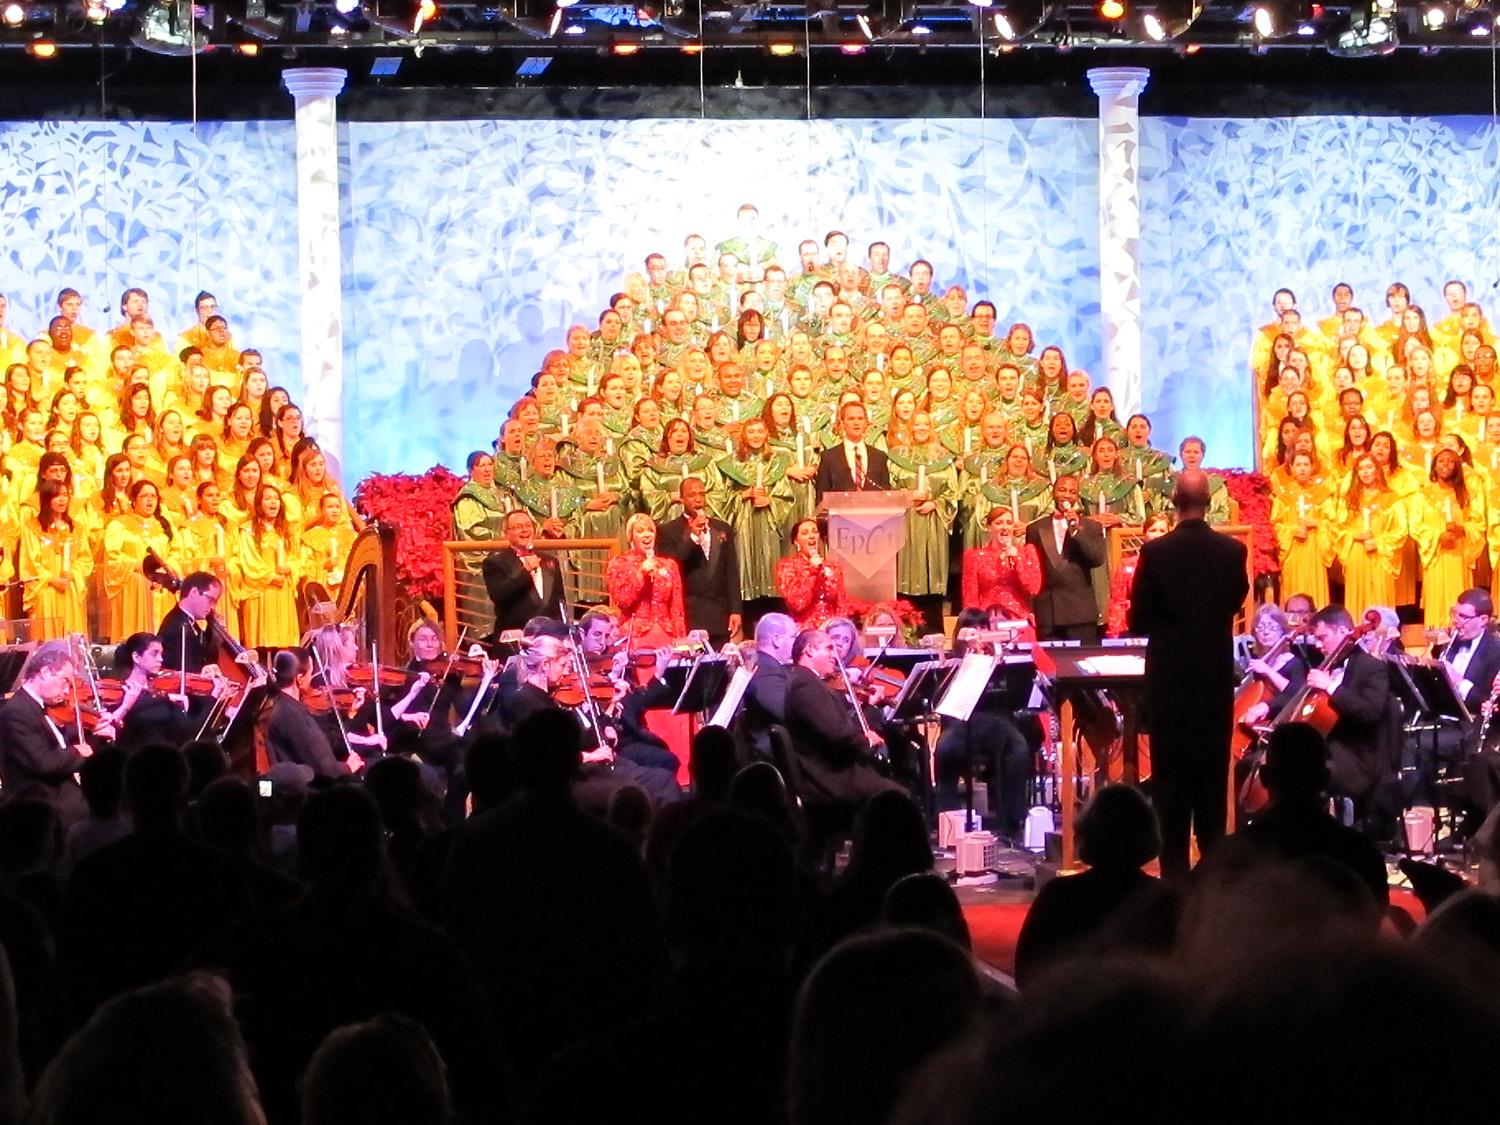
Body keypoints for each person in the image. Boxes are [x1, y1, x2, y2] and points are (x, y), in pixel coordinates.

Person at [1128, 468, 1251, 878]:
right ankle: (1214, 876)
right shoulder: (1231, 552)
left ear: (1174, 502)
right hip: (1214, 678)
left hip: (1169, 680)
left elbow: (1139, 618)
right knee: (1211, 776)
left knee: (1171, 780)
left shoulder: (1156, 553)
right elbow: (1235, 602)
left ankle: (1174, 875)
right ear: (1210, 502)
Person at [1303, 604, 1401, 838]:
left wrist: (1331, 687)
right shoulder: (1328, 665)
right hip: (1331, 747)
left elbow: (1370, 711)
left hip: (1359, 756)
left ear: (1344, 632)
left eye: (1322, 637)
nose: (1318, 645)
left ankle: (1320, 838)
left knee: (1307, 770)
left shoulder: (1372, 667)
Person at [783, 629, 903, 810]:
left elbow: (842, 726)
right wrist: (867, 742)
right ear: (809, 650)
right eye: (829, 648)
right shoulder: (805, 684)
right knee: (900, 799)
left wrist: (868, 708)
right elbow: (838, 735)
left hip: (834, 771)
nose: (835, 655)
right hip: (830, 779)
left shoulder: (810, 681)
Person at [0, 642, 107, 824]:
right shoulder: (18, 711)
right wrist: (78, 752)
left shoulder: (40, 707)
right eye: (65, 680)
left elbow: (62, 744)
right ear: (45, 672)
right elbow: (43, 763)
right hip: (40, 804)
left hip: (58, 795)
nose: (67, 691)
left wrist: (96, 736)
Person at [655, 475, 742, 647]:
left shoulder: (722, 528)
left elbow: (731, 572)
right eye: (692, 495)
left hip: (719, 614)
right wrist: (692, 536)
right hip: (689, 614)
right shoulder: (668, 531)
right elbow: (671, 568)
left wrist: (735, 610)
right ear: (681, 499)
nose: (698, 500)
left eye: (702, 494)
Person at [1024, 474, 1106, 642]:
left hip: (1080, 613)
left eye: (1072, 491)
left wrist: (1076, 531)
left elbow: (1097, 559)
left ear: (1077, 497)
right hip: (1048, 613)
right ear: (1053, 493)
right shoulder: (1035, 528)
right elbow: (1031, 569)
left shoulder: (1091, 527)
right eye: (1062, 490)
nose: (1067, 495)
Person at [481, 508, 567, 637]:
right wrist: (525, 571)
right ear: (506, 533)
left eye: (528, 525)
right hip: (516, 639)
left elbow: (560, 601)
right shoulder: (495, 562)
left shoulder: (550, 560)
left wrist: (564, 634)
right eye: (518, 527)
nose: (525, 530)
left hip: (549, 639)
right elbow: (499, 596)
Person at [606, 512, 686, 645]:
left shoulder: (670, 565)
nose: (647, 535)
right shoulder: (620, 563)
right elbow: (622, 601)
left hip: (666, 636)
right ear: (631, 537)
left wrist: (681, 642)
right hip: (635, 636)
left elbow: (677, 610)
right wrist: (640, 574)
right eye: (640, 531)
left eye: (650, 530)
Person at [961, 504, 1042, 620]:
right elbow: (970, 599)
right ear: (989, 527)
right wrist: (974, 624)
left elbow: (1033, 589)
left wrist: (1017, 559)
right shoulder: (975, 556)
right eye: (999, 523)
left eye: (1009, 523)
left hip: (1020, 617)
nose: (1005, 527)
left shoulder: (1026, 552)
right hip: (988, 619)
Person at [738, 612, 796, 765]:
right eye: (793, 637)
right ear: (776, 640)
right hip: (773, 759)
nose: (796, 644)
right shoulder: (767, 671)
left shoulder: (763, 664)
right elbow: (788, 712)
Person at [1104, 512, 1172, 637]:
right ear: (1144, 534)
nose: (1157, 535)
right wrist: (1115, 634)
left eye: (1162, 530)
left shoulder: (1176, 564)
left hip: (1168, 628)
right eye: (1153, 530)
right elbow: (1118, 603)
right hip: (1137, 627)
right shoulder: (1127, 565)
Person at [777, 517, 849, 629]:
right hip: (804, 632)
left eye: (815, 531)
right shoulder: (788, 566)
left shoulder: (834, 567)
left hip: (831, 631)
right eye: (805, 533)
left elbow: (841, 605)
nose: (811, 536)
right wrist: (812, 569)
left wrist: (842, 630)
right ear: (796, 541)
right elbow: (797, 603)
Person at [813, 400, 891, 498]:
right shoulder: (829, 457)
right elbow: (822, 497)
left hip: (872, 511)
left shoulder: (879, 457)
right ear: (842, 423)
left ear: (866, 423)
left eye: (860, 418)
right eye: (851, 419)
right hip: (840, 512)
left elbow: (887, 495)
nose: (856, 423)